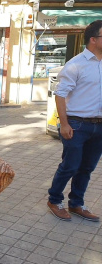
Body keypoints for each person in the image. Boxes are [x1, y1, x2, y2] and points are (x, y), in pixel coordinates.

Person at [47, 20, 102, 222]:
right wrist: (64, 124)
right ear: (93, 40)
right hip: (77, 124)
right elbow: (60, 95)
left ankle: (76, 203)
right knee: (70, 166)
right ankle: (54, 199)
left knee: (87, 168)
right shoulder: (75, 64)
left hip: (99, 126)